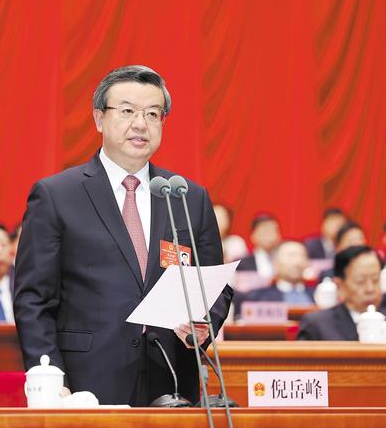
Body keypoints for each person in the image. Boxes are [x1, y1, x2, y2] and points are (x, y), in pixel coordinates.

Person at [13, 65, 233, 406]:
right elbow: (33, 300)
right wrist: (54, 380)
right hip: (85, 382)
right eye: (128, 111)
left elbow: (214, 284)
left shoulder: (186, 195)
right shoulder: (57, 195)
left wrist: (203, 325)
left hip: (172, 378)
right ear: (99, 119)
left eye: (153, 114)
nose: (141, 124)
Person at [297, 245, 385, 340]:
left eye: (375, 280)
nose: (370, 289)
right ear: (340, 285)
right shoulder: (317, 325)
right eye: (360, 281)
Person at [243, 241, 314, 305]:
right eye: (290, 256)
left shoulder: (317, 295)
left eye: (302, 256)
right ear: (275, 263)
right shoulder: (258, 297)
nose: (297, 262)